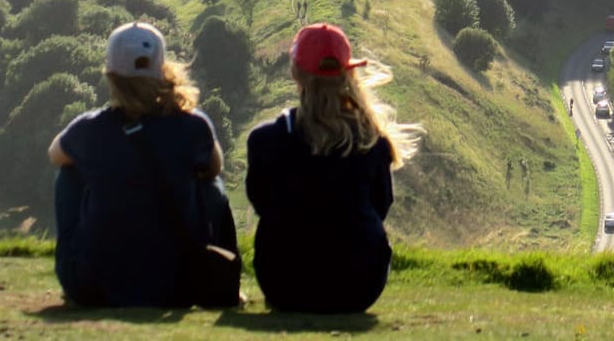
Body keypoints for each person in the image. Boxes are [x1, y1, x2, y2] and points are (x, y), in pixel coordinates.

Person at [48, 21, 234, 308]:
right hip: (177, 286)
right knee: (211, 183)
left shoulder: (89, 129)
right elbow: (215, 168)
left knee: (69, 172)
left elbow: (55, 154)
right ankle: (218, 273)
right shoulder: (193, 125)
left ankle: (77, 269)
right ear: (163, 69)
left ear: (110, 74)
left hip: (93, 287)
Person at [246, 23, 422, 314]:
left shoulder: (266, 140)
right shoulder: (371, 141)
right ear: (348, 72)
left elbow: (262, 202)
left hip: (284, 284)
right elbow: (381, 205)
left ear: (295, 73)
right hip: (358, 285)